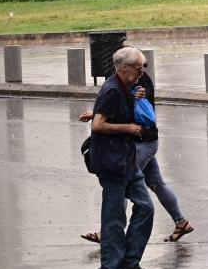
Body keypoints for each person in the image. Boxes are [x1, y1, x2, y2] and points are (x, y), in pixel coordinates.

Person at [80, 69, 193, 245]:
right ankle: (182, 222)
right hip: (144, 142)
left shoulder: (138, 82)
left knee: (122, 182)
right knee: (157, 184)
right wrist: (96, 115)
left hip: (142, 143)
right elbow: (125, 107)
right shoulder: (132, 80)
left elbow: (133, 110)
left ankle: (108, 233)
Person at [88, 47, 155, 269]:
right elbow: (98, 125)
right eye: (139, 68)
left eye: (143, 68)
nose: (141, 72)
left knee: (146, 207)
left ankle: (129, 263)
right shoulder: (113, 89)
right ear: (124, 67)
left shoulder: (124, 88)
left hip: (127, 161)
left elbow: (103, 114)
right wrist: (128, 128)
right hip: (112, 163)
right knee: (114, 219)